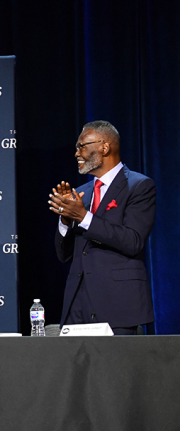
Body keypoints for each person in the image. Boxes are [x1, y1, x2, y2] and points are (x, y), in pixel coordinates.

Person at [48, 120, 155, 335]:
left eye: (82, 146)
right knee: (77, 369)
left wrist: (83, 216)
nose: (77, 153)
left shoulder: (139, 186)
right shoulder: (81, 193)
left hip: (118, 303)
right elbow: (64, 255)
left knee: (116, 368)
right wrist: (66, 221)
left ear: (104, 147)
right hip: (78, 305)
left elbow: (132, 241)